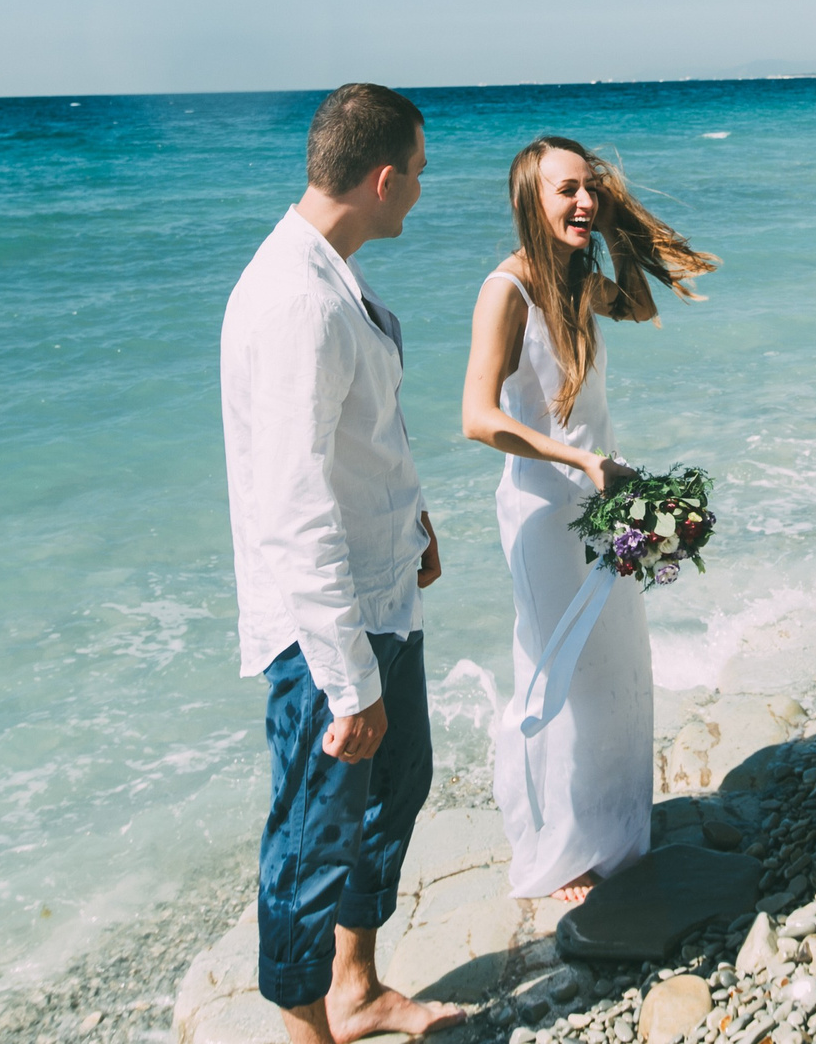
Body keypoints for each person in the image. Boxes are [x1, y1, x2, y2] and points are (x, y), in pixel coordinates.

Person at [220, 83, 463, 1044]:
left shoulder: (330, 275)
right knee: (310, 838)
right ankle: (304, 1030)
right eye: (419, 176)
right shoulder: (294, 300)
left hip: (380, 589)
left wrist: (416, 521)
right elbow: (290, 505)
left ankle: (357, 987)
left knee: (395, 789)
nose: (420, 194)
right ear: (382, 176)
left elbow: (350, 441)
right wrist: (348, 679)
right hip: (327, 626)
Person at [461, 137, 718, 902]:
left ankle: (612, 826)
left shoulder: (576, 280)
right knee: (557, 678)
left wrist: (612, 233)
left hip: (604, 502)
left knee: (615, 670)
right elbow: (476, 417)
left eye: (590, 190)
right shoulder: (505, 291)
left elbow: (638, 305)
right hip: (546, 511)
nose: (581, 201)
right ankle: (557, 849)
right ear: (528, 202)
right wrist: (578, 464)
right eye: (564, 191)